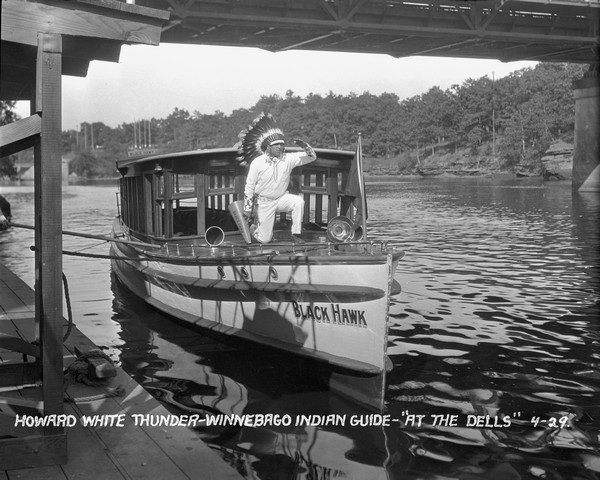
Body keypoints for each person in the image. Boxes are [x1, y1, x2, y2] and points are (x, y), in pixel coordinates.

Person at [239, 115, 316, 244]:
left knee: (298, 201)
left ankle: (296, 234)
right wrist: (247, 208)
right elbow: (249, 186)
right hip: (264, 203)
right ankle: (253, 228)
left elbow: (312, 157)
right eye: (276, 145)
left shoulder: (288, 159)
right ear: (268, 147)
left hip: (281, 199)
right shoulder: (257, 162)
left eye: (281, 144)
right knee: (265, 240)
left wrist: (305, 146)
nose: (280, 147)